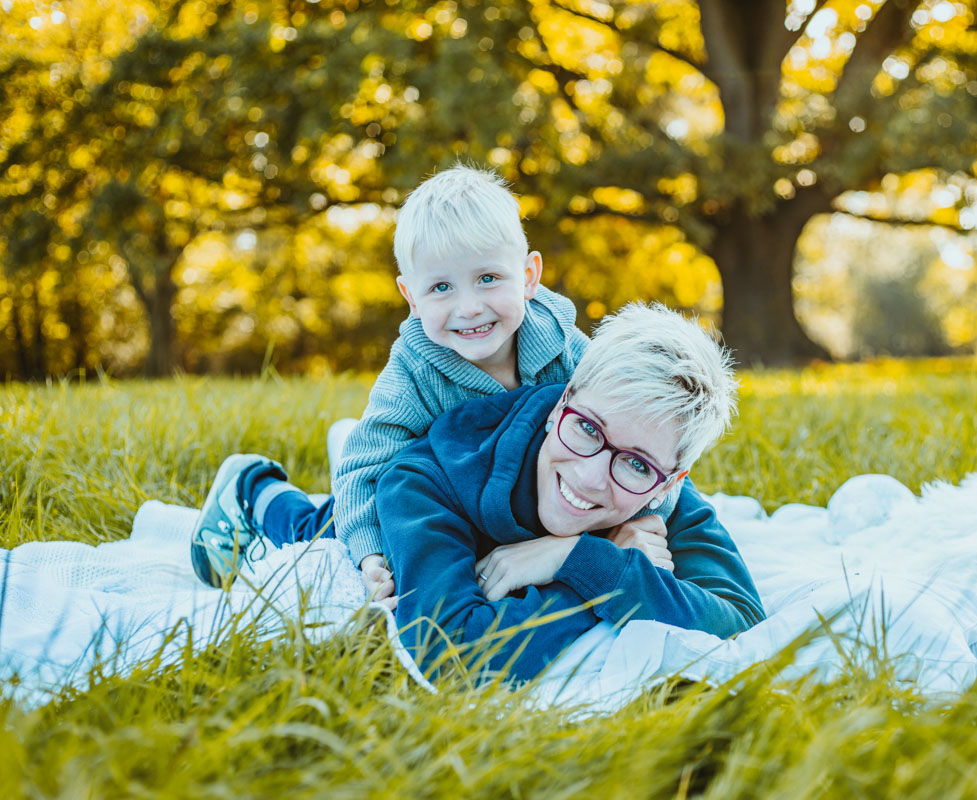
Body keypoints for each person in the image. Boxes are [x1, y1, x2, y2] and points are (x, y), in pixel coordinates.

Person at [189, 164, 594, 594]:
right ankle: (255, 490)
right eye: (441, 287)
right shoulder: (414, 372)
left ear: (529, 277)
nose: (469, 306)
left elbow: (633, 426)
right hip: (431, 496)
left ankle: (342, 440)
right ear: (411, 298)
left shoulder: (566, 348)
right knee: (327, 532)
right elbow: (365, 470)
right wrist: (369, 555)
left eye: (487, 278)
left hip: (510, 501)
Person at [372, 303, 764, 680]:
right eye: (589, 428)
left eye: (636, 463)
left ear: (669, 483)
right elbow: (449, 655)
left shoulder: (656, 489)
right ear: (561, 405)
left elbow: (741, 621)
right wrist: (594, 574)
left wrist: (579, 560)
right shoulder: (426, 479)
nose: (590, 477)